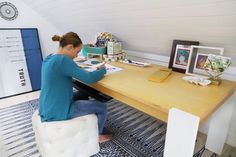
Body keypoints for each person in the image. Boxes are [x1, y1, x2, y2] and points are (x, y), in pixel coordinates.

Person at [39, 32, 112, 143]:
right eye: (77, 52)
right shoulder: (63, 60)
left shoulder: (49, 58)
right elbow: (89, 79)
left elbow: (67, 71)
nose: (77, 55)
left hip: (47, 106)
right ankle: (98, 136)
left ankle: (88, 124)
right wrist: (103, 70)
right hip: (58, 111)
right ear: (69, 47)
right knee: (102, 107)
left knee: (83, 94)